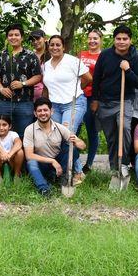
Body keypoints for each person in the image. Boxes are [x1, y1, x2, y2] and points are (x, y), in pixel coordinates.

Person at [91, 25, 138, 183]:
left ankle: (125, 163)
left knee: (125, 128)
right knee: (112, 138)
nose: (121, 42)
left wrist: (127, 70)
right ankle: (115, 169)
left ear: (130, 40)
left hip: (124, 101)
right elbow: (97, 78)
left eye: (125, 39)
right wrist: (95, 99)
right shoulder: (105, 55)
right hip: (105, 102)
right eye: (118, 39)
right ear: (114, 40)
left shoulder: (135, 58)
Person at [43, 34, 89, 184]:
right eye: (52, 45)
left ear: (63, 47)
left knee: (67, 135)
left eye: (58, 45)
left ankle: (77, 172)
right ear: (48, 47)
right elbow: (46, 87)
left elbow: (88, 78)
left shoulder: (73, 61)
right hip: (55, 105)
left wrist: (76, 92)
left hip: (73, 102)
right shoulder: (46, 65)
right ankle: (73, 170)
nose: (55, 47)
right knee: (56, 137)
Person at [24, 98, 85, 196]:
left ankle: (63, 179)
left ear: (51, 111)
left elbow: (82, 146)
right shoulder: (30, 130)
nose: (43, 113)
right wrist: (52, 161)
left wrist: (76, 141)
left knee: (72, 149)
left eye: (45, 110)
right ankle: (44, 189)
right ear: (35, 114)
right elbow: (29, 155)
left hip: (60, 164)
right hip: (42, 164)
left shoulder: (60, 128)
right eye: (39, 111)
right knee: (31, 162)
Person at [0, 24, 43, 139]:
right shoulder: (1, 55)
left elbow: (38, 76)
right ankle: (4, 156)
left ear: (22, 37)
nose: (13, 37)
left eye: (16, 35)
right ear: (7, 38)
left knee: (24, 135)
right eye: (10, 35)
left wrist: (23, 83)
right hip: (4, 101)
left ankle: (23, 157)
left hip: (25, 102)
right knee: (2, 133)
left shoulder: (31, 55)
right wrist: (1, 88)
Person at [78, 30, 102, 173]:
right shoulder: (81, 54)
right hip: (79, 96)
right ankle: (74, 161)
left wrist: (97, 99)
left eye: (95, 38)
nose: (92, 41)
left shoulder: (103, 56)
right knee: (76, 129)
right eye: (90, 38)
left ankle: (89, 164)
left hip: (92, 97)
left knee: (92, 130)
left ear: (100, 39)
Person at [0, 115, 24, 184]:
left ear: (9, 126)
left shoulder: (13, 134)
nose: (1, 128)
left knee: (20, 152)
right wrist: (2, 153)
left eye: (4, 125)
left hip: (11, 159)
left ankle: (16, 176)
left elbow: (19, 143)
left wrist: (9, 154)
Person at [30, 29, 50, 101]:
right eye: (32, 40)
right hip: (30, 95)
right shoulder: (29, 56)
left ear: (45, 39)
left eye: (38, 38)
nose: (35, 42)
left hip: (48, 95)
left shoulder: (52, 55)